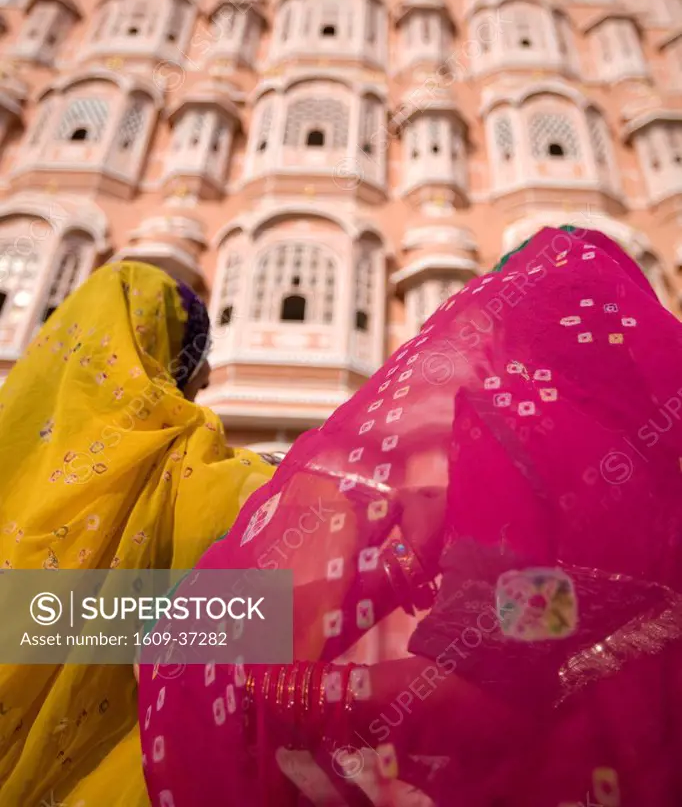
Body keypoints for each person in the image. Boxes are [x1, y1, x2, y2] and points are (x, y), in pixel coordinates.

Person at [139, 226, 682, 806]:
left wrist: (280, 688)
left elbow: (490, 675)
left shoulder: (518, 452)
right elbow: (552, 618)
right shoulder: (648, 464)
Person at [0, 260, 275, 807]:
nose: (208, 375)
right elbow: (252, 621)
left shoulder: (16, 447)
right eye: (199, 355)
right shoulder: (199, 472)